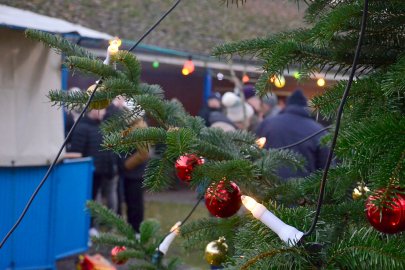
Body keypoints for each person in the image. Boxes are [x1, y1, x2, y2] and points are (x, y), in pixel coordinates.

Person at [256, 89, 329, 180]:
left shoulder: (267, 123)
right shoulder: (319, 131)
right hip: (302, 188)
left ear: (287, 105)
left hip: (267, 185)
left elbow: (254, 152)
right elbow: (325, 166)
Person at [68, 108, 119, 218]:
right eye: (102, 109)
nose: (105, 112)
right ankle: (89, 226)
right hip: (87, 173)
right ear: (94, 110)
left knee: (95, 198)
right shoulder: (81, 128)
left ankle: (93, 225)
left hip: (100, 172)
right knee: (88, 200)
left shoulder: (100, 126)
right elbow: (76, 154)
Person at [122, 117, 150, 233]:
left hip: (136, 173)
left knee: (136, 203)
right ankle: (131, 228)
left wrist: (125, 165)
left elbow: (143, 154)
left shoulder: (140, 127)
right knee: (130, 202)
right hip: (129, 173)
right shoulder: (128, 126)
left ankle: (137, 230)